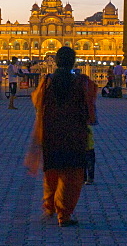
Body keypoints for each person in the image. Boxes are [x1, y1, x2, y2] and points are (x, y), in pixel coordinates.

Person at [25, 46, 97, 227]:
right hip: (74, 134)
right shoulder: (82, 82)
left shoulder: (47, 81)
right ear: (73, 61)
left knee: (52, 172)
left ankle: (49, 207)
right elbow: (90, 104)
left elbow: (36, 101)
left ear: (56, 61)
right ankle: (64, 214)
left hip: (51, 133)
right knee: (72, 175)